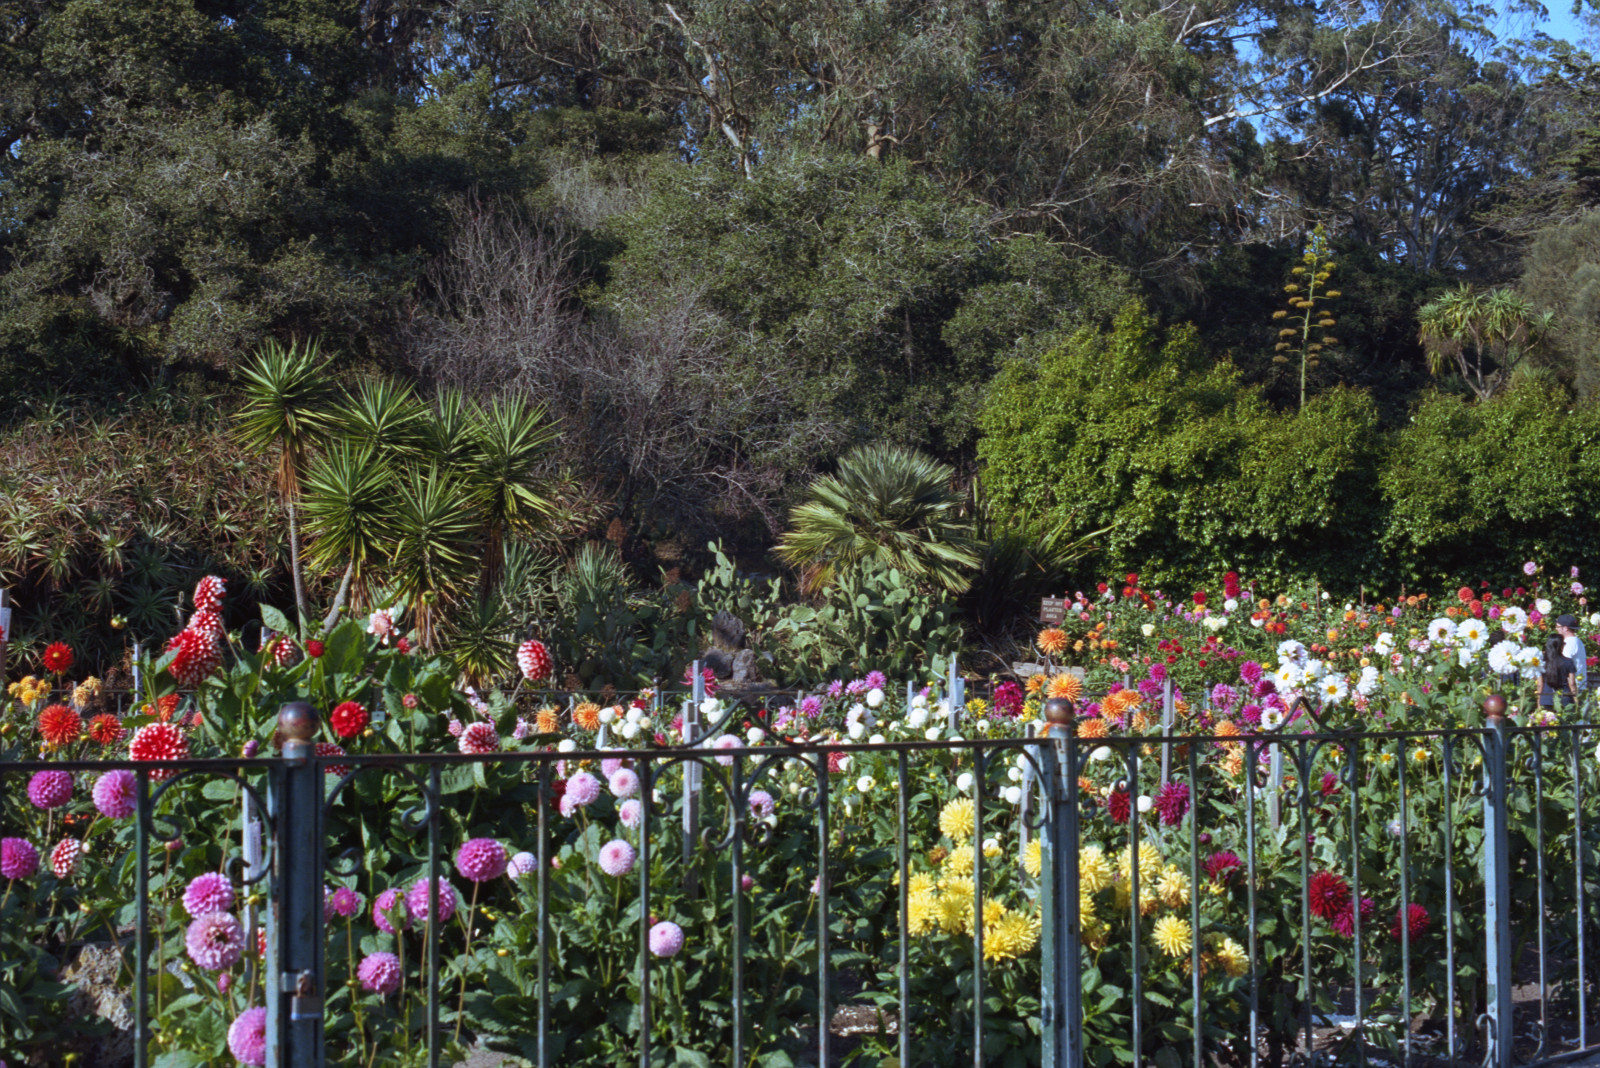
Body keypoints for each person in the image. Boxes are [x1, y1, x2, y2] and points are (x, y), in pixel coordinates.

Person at [1556, 614, 1589, 709]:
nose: (1556, 629)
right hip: (1580, 686)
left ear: (1565, 628)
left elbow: (1564, 665)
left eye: (1558, 627)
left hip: (1572, 689)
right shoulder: (1578, 641)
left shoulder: (1569, 643)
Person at [1537, 634, 1576, 711]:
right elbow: (1572, 683)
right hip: (1564, 698)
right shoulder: (1568, 662)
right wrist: (1576, 699)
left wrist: (1538, 702)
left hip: (1546, 698)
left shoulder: (1542, 663)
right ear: (1560, 646)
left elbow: (1540, 684)